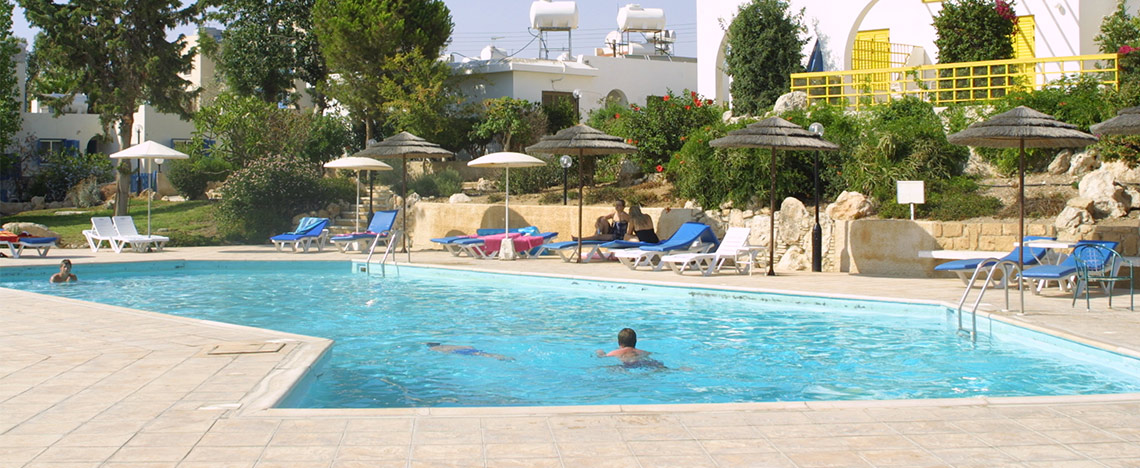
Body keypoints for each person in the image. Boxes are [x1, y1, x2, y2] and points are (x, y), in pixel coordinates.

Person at [595, 328, 663, 368]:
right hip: (640, 362)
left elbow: (603, 357)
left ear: (619, 342)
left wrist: (600, 352)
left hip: (625, 364)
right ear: (635, 341)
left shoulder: (614, 353)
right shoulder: (645, 352)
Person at [425, 342, 513, 361]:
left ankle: (498, 357)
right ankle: (500, 356)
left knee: (479, 354)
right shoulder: (447, 345)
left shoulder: (434, 348)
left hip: (458, 351)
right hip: (467, 348)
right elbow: (469, 346)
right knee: (482, 353)